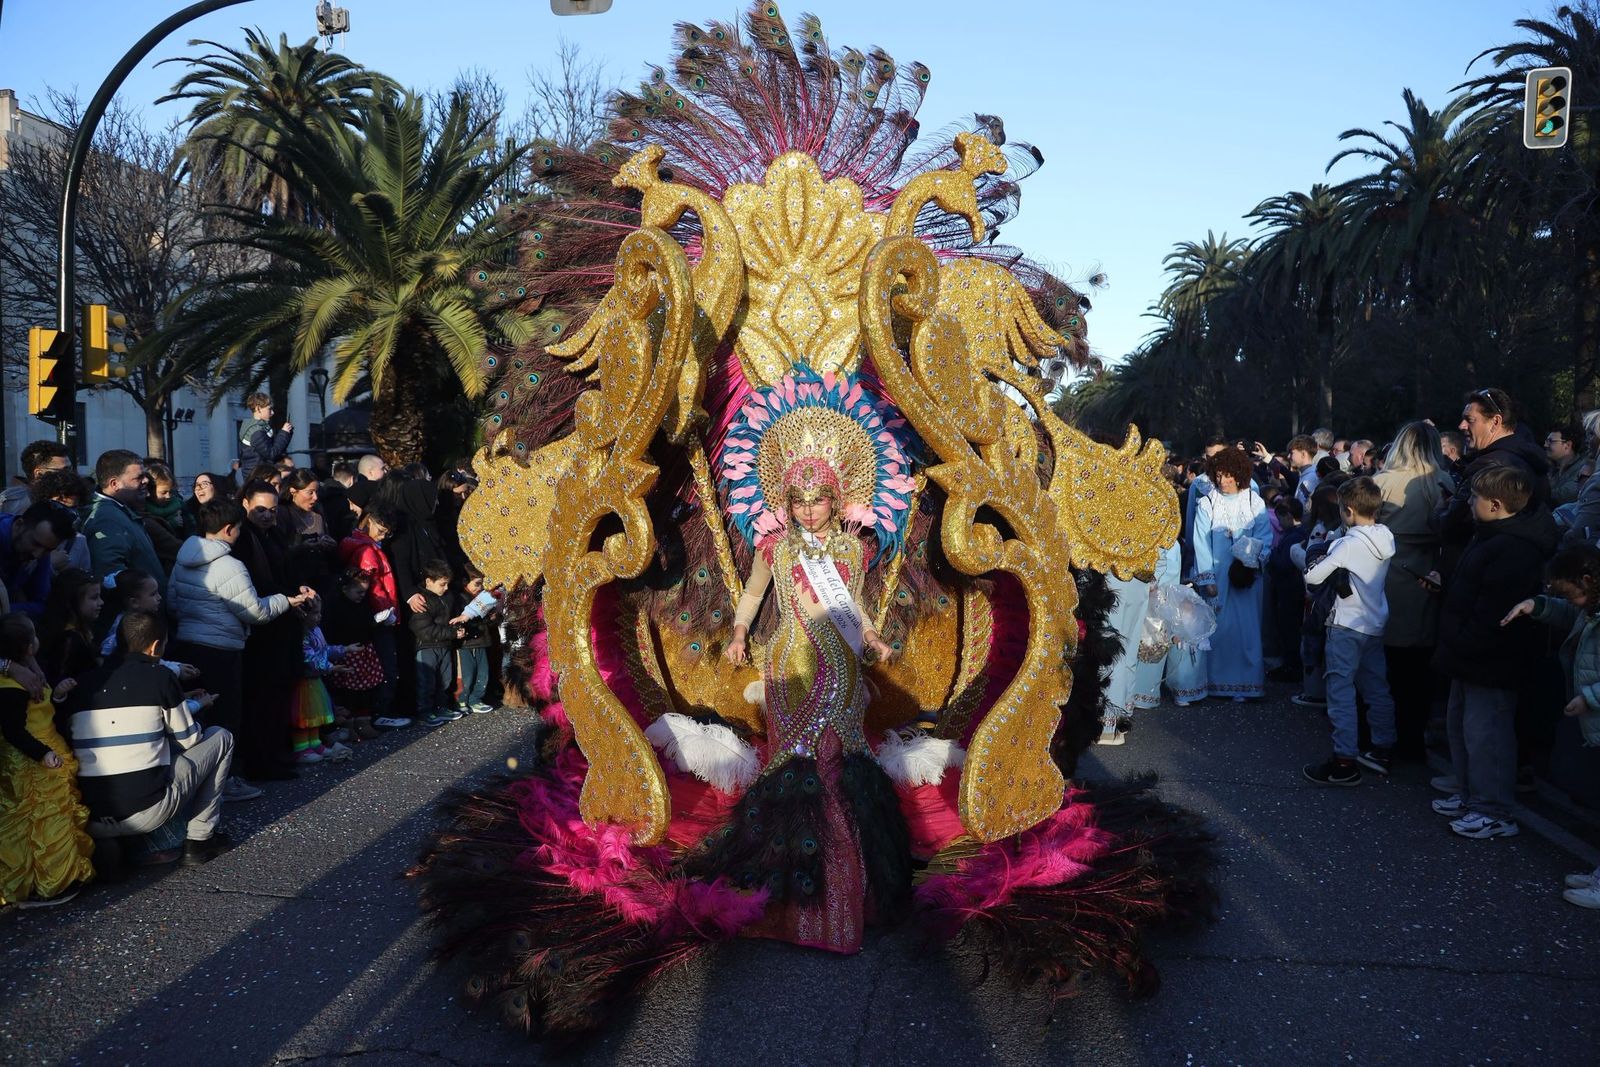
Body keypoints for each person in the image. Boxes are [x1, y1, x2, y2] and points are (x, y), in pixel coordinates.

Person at [717, 453, 900, 953]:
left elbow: (851, 605)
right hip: (787, 671)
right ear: (787, 503)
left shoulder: (850, 550)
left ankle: (841, 906)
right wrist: (739, 633)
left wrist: (871, 636)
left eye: (818, 500)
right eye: (799, 501)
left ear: (835, 500)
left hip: (838, 668)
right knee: (791, 772)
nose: (810, 510)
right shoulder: (774, 548)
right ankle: (791, 908)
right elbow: (754, 596)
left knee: (835, 767)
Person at [1431, 466, 1557, 839]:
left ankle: (1494, 809)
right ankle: (1471, 795)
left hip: (1490, 659)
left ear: (1497, 505)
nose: (1469, 503)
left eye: (1476, 497)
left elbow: (1494, 612)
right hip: (1467, 653)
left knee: (1488, 735)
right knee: (1463, 728)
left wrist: (1464, 640)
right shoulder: (1488, 536)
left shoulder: (1515, 549)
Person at [60, 611, 235, 866]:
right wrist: (194, 706)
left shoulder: (86, 682)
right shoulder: (160, 677)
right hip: (145, 812)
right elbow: (189, 740)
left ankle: (123, 842)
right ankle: (200, 839)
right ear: (155, 647)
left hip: (93, 816)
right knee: (220, 737)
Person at [168, 498, 312, 797]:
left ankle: (198, 781)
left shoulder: (182, 559)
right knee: (225, 717)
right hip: (222, 647)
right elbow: (255, 611)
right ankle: (226, 780)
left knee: (200, 714)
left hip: (188, 643)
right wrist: (287, 600)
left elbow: (172, 602)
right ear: (229, 529)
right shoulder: (230, 565)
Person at [1301, 478, 1398, 786]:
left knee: (1340, 691)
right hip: (1374, 623)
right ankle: (1382, 748)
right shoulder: (1386, 536)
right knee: (1377, 689)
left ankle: (1344, 760)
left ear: (1348, 511)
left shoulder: (1347, 543)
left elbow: (1314, 576)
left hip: (1346, 625)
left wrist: (1320, 555)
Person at [0, 612, 95, 907]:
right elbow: (14, 730)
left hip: (46, 748)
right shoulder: (11, 689)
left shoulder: (29, 671)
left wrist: (60, 696)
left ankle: (55, 877)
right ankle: (48, 882)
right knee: (42, 819)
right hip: (30, 762)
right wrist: (43, 754)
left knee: (54, 815)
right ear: (28, 647)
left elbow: (41, 708)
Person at [1374, 422, 1456, 760]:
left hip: (1389, 572)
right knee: (1419, 667)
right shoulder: (1443, 481)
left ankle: (1384, 735)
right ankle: (1413, 738)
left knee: (1387, 665)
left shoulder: (1382, 482)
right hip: (1429, 574)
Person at [1193, 447, 1271, 701]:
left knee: (1248, 629)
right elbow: (1201, 543)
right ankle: (1217, 682)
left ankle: (1247, 684)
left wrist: (1249, 558)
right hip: (1218, 576)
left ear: (1239, 475)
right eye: (1218, 475)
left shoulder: (1253, 502)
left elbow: (1265, 537)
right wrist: (1207, 578)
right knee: (1220, 628)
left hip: (1247, 577)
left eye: (1228, 476)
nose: (1222, 481)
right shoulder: (1207, 503)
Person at [1438, 388, 1550, 548]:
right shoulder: (1528, 460)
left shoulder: (1488, 466)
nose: (1461, 425)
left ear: (1495, 422)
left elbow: (1452, 525)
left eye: (1469, 420)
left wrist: (1440, 509)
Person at [339, 502, 409, 728]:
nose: (383, 535)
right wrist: (383, 611)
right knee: (385, 666)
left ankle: (375, 712)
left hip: (374, 614)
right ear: (369, 520)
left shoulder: (360, 545)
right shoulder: (367, 551)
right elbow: (373, 586)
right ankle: (380, 711)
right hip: (379, 614)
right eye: (381, 530)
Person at [82, 450, 165, 602]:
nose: (146, 481)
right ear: (114, 484)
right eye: (138, 478)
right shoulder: (106, 519)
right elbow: (110, 575)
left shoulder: (119, 510)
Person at [289, 597, 353, 764]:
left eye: (320, 613)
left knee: (315, 713)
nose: (319, 617)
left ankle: (315, 743)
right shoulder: (301, 634)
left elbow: (324, 650)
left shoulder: (316, 630)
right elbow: (309, 657)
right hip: (304, 682)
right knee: (304, 715)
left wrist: (344, 650)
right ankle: (302, 748)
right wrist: (330, 667)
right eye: (315, 613)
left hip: (315, 680)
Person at [322, 567, 384, 740]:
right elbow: (332, 630)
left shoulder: (363, 605)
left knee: (366, 689)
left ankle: (363, 721)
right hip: (346, 652)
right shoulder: (336, 607)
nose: (362, 595)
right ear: (345, 589)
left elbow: (366, 623)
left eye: (364, 591)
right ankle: (348, 724)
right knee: (347, 691)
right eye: (358, 591)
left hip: (364, 651)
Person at [410, 559, 467, 727]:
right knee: (426, 681)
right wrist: (452, 633)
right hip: (427, 646)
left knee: (446, 679)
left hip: (444, 645)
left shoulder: (447, 597)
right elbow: (423, 629)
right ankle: (424, 711)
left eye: (447, 584)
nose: (446, 588)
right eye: (442, 584)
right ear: (429, 581)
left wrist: (459, 627)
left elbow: (454, 617)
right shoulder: (422, 600)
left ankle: (441, 707)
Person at [0, 501, 75, 620]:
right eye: (35, 543)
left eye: (48, 550)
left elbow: (41, 603)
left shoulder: (40, 546)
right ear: (19, 525)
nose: (38, 554)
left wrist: (7, 609)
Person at [38, 569, 104, 687]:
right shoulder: (68, 640)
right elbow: (59, 680)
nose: (101, 602)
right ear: (71, 602)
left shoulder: (83, 630)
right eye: (94, 598)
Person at [456, 567, 498, 715]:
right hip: (468, 642)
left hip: (482, 640)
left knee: (483, 672)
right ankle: (463, 699)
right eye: (477, 584)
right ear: (465, 583)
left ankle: (476, 699)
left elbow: (489, 620)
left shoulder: (486, 598)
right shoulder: (461, 598)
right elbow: (462, 619)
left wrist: (492, 618)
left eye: (482, 585)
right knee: (468, 674)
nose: (480, 588)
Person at [0, 440, 72, 517]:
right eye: (64, 470)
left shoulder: (72, 497)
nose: (69, 475)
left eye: (69, 469)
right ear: (39, 473)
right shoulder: (12, 504)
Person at [239, 392, 292, 474]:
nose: (272, 413)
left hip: (258, 474)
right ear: (258, 408)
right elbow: (271, 454)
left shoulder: (259, 427)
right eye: (269, 409)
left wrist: (286, 433)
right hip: (258, 476)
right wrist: (284, 433)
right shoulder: (256, 431)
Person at [1547, 424, 1585, 506]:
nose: (1545, 445)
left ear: (1567, 445)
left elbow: (1564, 496)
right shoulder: (1551, 467)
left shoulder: (1582, 469)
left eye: (1550, 441)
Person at [1287, 434, 1321, 508]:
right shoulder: (1307, 475)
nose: (1288, 456)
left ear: (1303, 454)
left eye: (1291, 453)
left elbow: (1305, 509)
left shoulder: (1310, 479)